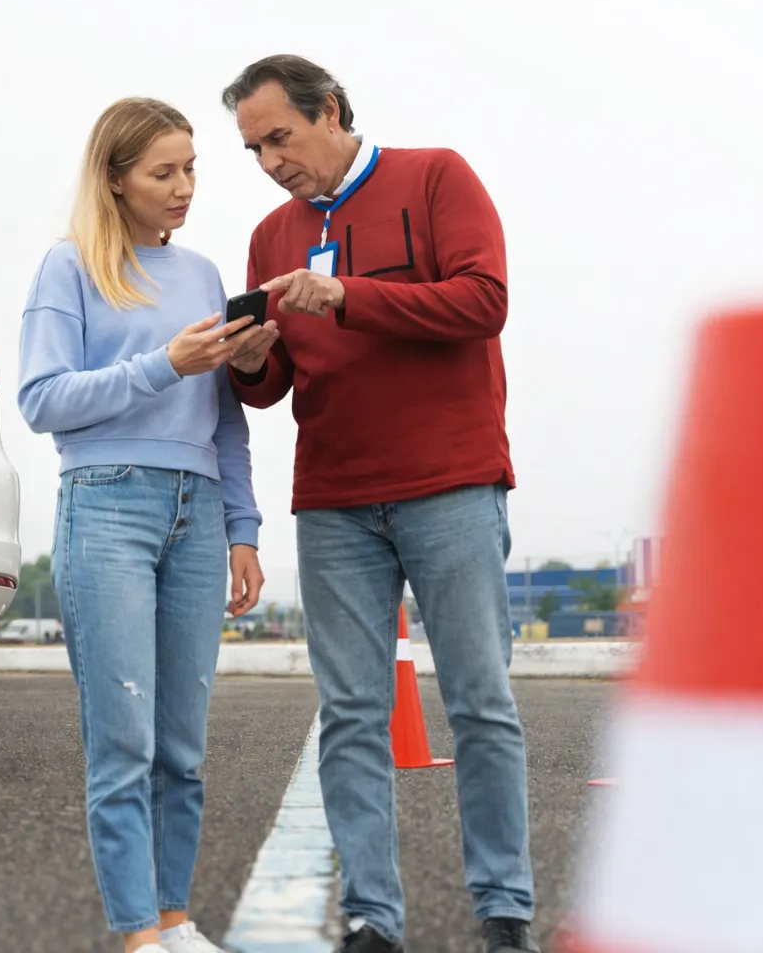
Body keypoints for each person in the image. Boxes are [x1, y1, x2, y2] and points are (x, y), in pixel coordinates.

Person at [217, 55, 539, 953]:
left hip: (451, 484)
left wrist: (350, 295)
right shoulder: (270, 235)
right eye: (253, 149)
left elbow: (484, 302)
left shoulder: (435, 175)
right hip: (334, 499)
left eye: (280, 137)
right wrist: (250, 363)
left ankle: (505, 912)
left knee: (479, 703)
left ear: (332, 112)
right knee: (352, 714)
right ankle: (370, 919)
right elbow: (274, 381)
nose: (272, 161)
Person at [17, 97, 270, 953]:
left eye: (192, 167)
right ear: (115, 179)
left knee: (182, 748)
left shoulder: (202, 274)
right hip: (108, 505)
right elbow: (44, 401)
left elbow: (226, 414)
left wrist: (244, 527)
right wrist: (164, 364)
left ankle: (173, 916)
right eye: (163, 172)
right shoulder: (70, 267)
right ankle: (135, 933)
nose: (184, 187)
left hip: (199, 514)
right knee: (122, 739)